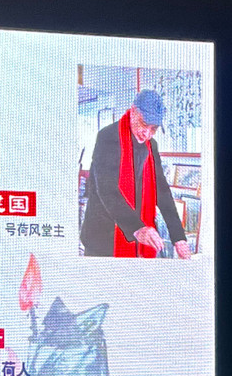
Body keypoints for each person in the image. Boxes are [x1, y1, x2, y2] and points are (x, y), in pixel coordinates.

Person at [80, 89, 191, 258]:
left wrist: (178, 237)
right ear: (133, 111)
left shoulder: (151, 146)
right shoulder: (107, 137)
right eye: (144, 124)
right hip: (104, 235)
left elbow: (161, 190)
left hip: (135, 234)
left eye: (153, 129)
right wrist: (137, 228)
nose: (147, 133)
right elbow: (107, 189)